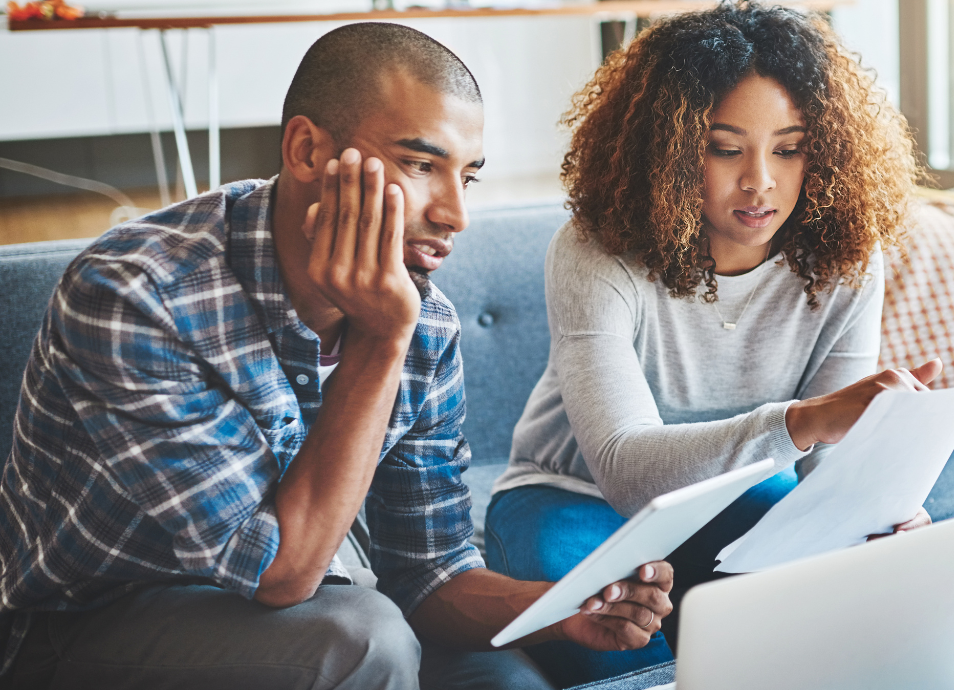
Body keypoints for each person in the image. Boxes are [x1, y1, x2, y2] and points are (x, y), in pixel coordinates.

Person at [0, 23, 672, 690]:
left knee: (503, 682)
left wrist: (563, 608)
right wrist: (380, 341)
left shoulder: (424, 320)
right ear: (305, 149)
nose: (455, 214)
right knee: (364, 640)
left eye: (466, 176)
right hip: (91, 623)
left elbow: (428, 570)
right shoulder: (137, 296)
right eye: (420, 165)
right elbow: (279, 573)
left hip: (326, 589)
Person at [484, 4, 936, 686]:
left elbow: (829, 474)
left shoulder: (846, 257)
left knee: (856, 604)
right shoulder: (596, 254)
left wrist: (876, 511)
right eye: (725, 148)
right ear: (667, 148)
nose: (760, 181)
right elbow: (623, 467)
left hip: (738, 492)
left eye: (789, 148)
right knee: (617, 627)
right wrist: (804, 421)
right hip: (569, 497)